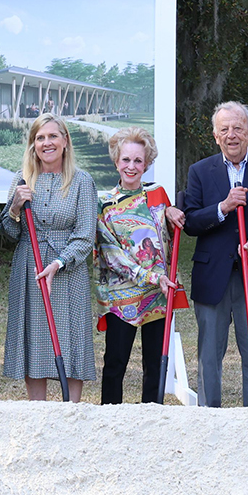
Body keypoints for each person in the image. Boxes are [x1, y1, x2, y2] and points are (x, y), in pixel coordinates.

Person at [181, 101, 248, 407]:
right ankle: (207, 419)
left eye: (238, 128)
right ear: (215, 135)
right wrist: (223, 207)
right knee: (208, 357)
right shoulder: (200, 171)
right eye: (224, 129)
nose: (232, 135)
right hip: (212, 276)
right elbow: (190, 221)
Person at [4, 113, 99, 402]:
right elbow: (9, 233)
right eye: (40, 138)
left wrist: (58, 263)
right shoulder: (21, 180)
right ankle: (38, 412)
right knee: (35, 339)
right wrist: (16, 208)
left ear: (65, 141)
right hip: (30, 266)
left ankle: (70, 413)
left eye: (53, 136)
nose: (47, 143)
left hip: (67, 271)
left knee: (69, 339)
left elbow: (85, 235)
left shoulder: (82, 181)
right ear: (33, 145)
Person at [95, 127, 185, 404]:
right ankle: (110, 422)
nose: (131, 167)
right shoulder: (104, 204)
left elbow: (167, 236)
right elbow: (111, 255)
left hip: (159, 294)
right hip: (122, 297)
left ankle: (152, 420)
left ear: (146, 163)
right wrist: (149, 276)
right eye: (126, 160)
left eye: (138, 161)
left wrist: (170, 212)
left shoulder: (158, 194)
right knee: (115, 365)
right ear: (116, 161)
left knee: (156, 366)